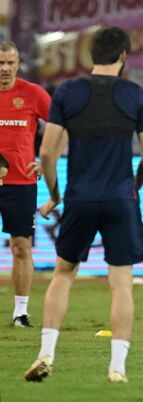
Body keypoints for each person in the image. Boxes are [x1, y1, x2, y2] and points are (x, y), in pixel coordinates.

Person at [24, 26, 143, 383]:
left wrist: (55, 193)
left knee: (63, 275)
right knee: (121, 283)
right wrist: (134, 186)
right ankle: (117, 368)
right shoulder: (136, 95)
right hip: (119, 198)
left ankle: (46, 353)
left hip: (80, 197)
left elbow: (48, 152)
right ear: (124, 56)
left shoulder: (68, 92)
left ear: (91, 56)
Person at [0, 41, 50, 328]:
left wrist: (46, 160)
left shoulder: (33, 94)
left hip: (21, 183)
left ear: (18, 64)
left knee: (21, 246)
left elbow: (61, 127)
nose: (5, 69)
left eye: (10, 63)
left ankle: (20, 312)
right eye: (0, 63)